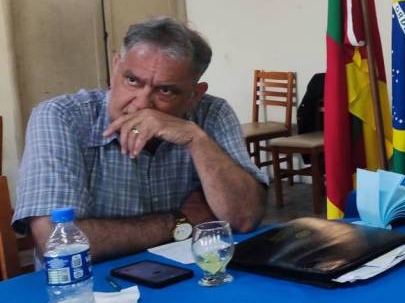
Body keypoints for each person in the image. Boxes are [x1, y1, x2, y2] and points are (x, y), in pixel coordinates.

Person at [14, 17, 268, 262]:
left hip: (189, 278)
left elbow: (244, 217)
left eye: (165, 90)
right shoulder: (62, 117)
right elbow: (58, 244)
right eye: (132, 80)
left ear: (194, 95)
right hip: (90, 285)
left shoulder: (212, 113)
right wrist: (180, 222)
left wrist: (196, 139)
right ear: (115, 68)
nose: (142, 104)